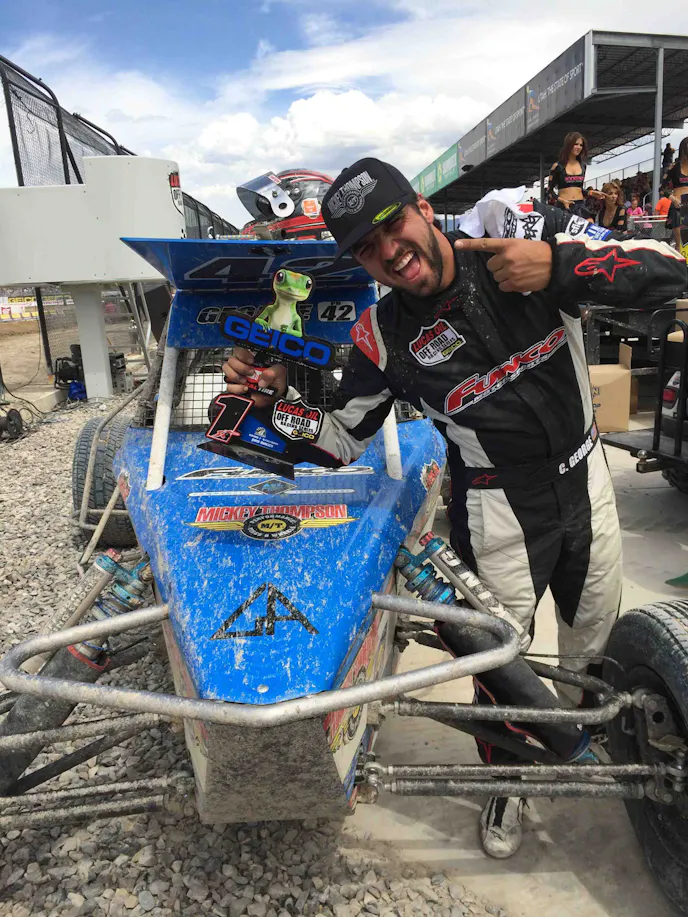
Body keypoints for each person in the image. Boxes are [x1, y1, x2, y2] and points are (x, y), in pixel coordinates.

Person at [223, 158, 687, 859]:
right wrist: (272, 404)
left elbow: (669, 268)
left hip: (587, 476)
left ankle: (601, 752)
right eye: (366, 248)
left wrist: (558, 265)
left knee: (594, 639)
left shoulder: (515, 225)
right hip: (496, 505)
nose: (389, 252)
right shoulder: (378, 335)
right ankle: (509, 781)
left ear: (421, 204)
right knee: (503, 662)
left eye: (393, 225)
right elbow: (342, 439)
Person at [547, 132, 604, 217]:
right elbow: (549, 191)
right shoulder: (557, 166)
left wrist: (591, 193)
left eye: (581, 145)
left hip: (580, 206)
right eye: (576, 144)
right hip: (564, 206)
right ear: (568, 145)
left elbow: (578, 188)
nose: (579, 147)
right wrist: (562, 201)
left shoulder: (583, 166)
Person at [666, 137, 688, 250]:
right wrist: (673, 198)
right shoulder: (674, 167)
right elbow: (662, 189)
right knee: (681, 245)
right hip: (679, 206)